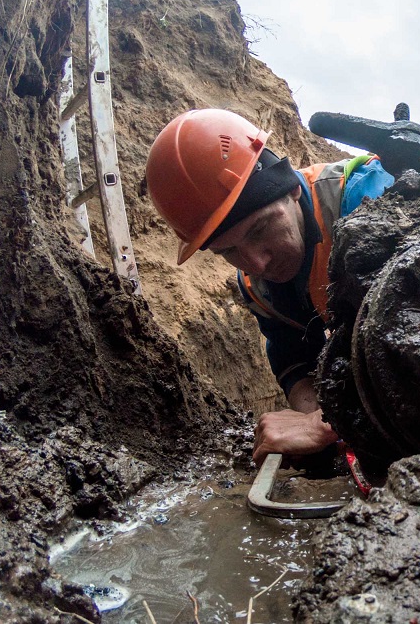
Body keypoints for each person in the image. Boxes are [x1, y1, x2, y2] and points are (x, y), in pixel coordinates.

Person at [144, 108, 394, 464]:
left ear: (292, 188)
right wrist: (316, 417)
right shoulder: (258, 289)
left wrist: (329, 424)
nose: (257, 264)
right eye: (229, 251)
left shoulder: (368, 200)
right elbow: (294, 360)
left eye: (260, 230)